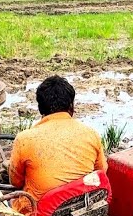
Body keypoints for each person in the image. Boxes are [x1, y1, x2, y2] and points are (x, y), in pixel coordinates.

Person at [8, 75, 107, 207]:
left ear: (40, 108)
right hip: (83, 207)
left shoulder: (24, 139)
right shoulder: (91, 134)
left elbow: (16, 182)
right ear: (71, 106)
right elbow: (101, 172)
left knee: (9, 201)